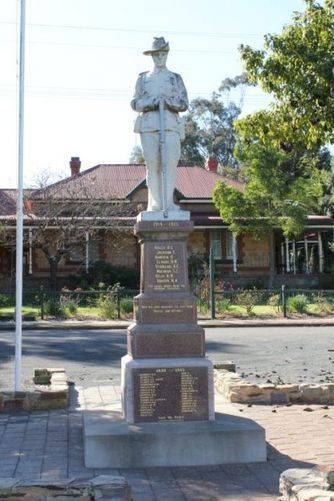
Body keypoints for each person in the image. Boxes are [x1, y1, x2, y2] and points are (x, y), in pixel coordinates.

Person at [131, 37, 189, 212]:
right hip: (149, 126)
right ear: (152, 55)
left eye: (163, 53)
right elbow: (135, 103)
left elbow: (184, 103)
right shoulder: (143, 78)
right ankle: (155, 203)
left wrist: (170, 103)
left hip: (170, 126)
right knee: (153, 164)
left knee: (170, 164)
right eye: (156, 54)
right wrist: (151, 102)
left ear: (167, 54)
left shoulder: (175, 78)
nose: (160, 57)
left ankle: (168, 202)